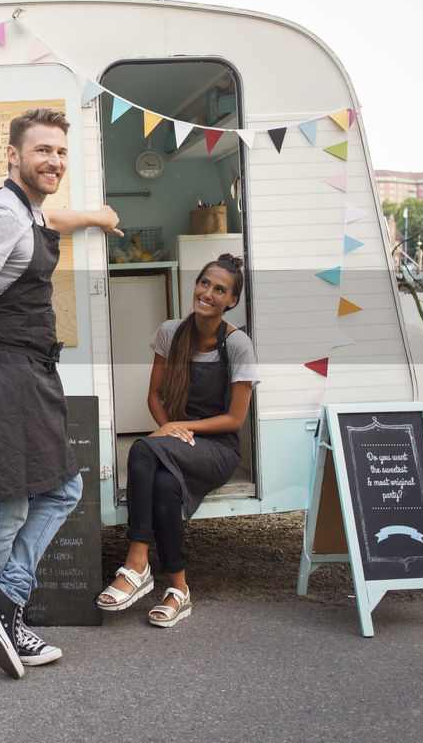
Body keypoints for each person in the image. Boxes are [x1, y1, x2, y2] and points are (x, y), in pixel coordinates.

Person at [0, 107, 122, 678]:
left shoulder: (23, 210)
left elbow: (45, 222)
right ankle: (6, 610)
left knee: (41, 493)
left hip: (28, 372)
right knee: (18, 503)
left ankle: (0, 619)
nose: (54, 161)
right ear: (12, 156)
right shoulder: (1, 213)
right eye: (42, 151)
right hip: (6, 371)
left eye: (61, 153)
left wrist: (94, 216)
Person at [95, 253, 258, 627]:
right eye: (205, 284)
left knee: (142, 448)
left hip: (217, 448)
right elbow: (154, 395)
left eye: (220, 290)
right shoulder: (170, 333)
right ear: (195, 285)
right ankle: (178, 590)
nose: (209, 294)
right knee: (164, 485)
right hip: (181, 439)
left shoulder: (237, 345)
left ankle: (136, 564)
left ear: (231, 301)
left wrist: (178, 430)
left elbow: (235, 418)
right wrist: (170, 426)